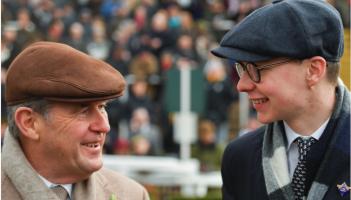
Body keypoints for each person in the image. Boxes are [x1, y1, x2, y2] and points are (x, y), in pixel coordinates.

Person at [211, 0, 350, 200]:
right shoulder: (240, 158)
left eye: (256, 69)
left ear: (313, 70)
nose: (242, 85)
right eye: (242, 68)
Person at [1, 41, 150, 200]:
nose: (104, 126)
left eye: (102, 107)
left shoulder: (132, 195)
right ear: (29, 123)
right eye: (83, 110)